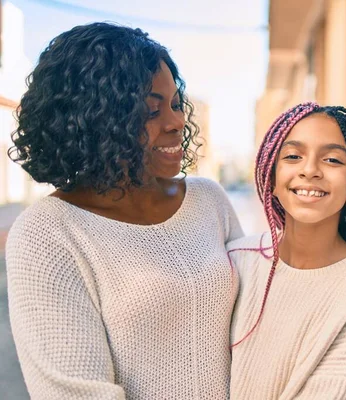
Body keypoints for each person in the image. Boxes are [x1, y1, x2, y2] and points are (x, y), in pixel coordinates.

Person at [6, 22, 242, 399]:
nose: (177, 122)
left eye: (176, 104)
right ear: (95, 120)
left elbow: (257, 327)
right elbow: (76, 392)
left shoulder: (209, 201)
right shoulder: (48, 234)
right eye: (151, 111)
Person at [227, 102, 346, 399]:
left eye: (332, 160)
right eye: (293, 156)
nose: (310, 170)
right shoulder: (236, 260)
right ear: (272, 176)